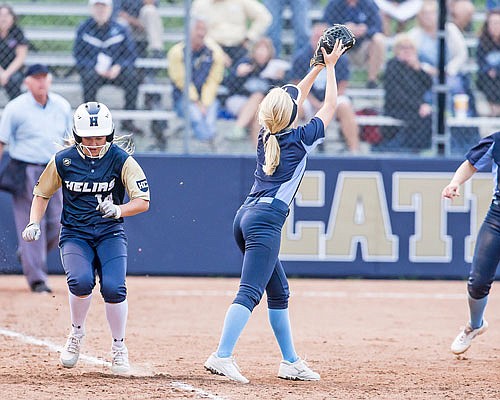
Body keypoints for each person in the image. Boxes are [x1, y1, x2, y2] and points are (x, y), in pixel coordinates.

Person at [203, 39, 346, 383]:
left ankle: (291, 362)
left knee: (278, 292)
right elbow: (331, 104)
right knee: (250, 293)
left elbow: (292, 96)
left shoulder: (266, 133)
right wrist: (330, 66)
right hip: (265, 222)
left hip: (246, 217)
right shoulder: (299, 138)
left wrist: (316, 65)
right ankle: (222, 355)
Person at [21, 102, 150, 374]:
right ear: (77, 136)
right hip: (75, 234)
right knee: (80, 281)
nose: (93, 142)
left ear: (110, 135)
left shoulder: (120, 159)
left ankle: (118, 347)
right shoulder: (64, 160)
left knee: (114, 288)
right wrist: (34, 221)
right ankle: (76, 334)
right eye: (88, 137)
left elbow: (143, 201)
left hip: (109, 232)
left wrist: (118, 209)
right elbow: (42, 193)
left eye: (99, 137)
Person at [0, 64, 72, 293]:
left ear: (50, 80)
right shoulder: (15, 107)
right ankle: (37, 279)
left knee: (59, 222)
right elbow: (2, 141)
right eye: (36, 78)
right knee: (31, 222)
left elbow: (70, 141)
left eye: (44, 78)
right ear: (27, 82)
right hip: (25, 169)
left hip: (54, 168)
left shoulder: (61, 105)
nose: (41, 82)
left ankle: (28, 252)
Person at [441, 131, 500, 355]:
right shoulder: (497, 141)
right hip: (497, 218)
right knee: (477, 283)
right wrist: (455, 182)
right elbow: (471, 164)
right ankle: (475, 325)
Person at [287, 22, 360, 153]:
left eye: (322, 38)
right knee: (294, 108)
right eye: (316, 37)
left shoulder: (340, 57)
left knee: (345, 106)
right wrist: (316, 103)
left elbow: (343, 84)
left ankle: (354, 151)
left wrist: (327, 104)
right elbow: (298, 85)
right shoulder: (301, 57)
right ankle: (291, 150)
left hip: (333, 99)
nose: (319, 41)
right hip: (309, 100)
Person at [73, 0, 143, 135]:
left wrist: (118, 66)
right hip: (94, 72)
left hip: (115, 72)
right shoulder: (84, 28)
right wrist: (94, 67)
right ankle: (91, 120)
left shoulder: (120, 28)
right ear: (91, 9)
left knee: (132, 77)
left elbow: (131, 55)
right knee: (88, 78)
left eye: (103, 7)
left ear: (110, 9)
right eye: (97, 7)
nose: (100, 11)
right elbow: (79, 55)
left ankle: (128, 120)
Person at [167, 16, 225, 143]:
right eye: (198, 29)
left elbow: (213, 81)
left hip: (207, 99)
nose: (201, 33)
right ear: (189, 31)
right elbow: (182, 81)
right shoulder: (177, 52)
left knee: (210, 119)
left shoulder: (214, 53)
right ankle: (210, 145)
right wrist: (197, 103)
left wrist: (204, 103)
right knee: (196, 116)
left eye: (204, 29)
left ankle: (207, 147)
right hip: (183, 98)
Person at [223, 37, 288, 144]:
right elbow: (230, 87)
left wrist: (280, 79)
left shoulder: (275, 67)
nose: (261, 52)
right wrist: (238, 75)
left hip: (263, 105)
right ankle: (262, 156)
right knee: (258, 99)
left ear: (270, 52)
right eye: (259, 49)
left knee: (258, 114)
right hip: (240, 101)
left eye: (264, 49)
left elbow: (281, 93)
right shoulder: (245, 63)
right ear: (254, 51)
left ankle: (240, 129)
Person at [376, 33, 433, 153]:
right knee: (419, 119)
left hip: (416, 107)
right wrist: (419, 106)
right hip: (397, 107)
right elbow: (396, 94)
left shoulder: (416, 67)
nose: (407, 51)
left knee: (430, 117)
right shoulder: (392, 66)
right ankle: (409, 150)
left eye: (410, 48)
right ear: (397, 50)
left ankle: (419, 150)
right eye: (403, 47)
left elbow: (429, 84)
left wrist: (418, 68)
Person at [323, 0, 386, 88]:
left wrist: (365, 30)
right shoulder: (334, 3)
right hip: (341, 49)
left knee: (379, 39)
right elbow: (325, 27)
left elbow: (378, 27)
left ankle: (372, 80)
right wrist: (343, 29)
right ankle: (337, 83)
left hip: (363, 48)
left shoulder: (369, 4)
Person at [191, 0, 272, 67]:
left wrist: (249, 37)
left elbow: (264, 17)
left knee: (243, 70)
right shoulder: (200, 4)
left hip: (239, 47)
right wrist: (218, 53)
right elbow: (196, 30)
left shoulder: (242, 2)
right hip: (210, 48)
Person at [0, 4, 28, 100]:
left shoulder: (17, 32)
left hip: (12, 69)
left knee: (15, 80)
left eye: (7, 15)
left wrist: (6, 74)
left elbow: (21, 56)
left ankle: (15, 107)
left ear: (13, 17)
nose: (3, 19)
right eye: (1, 15)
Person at [476, 9, 500, 117]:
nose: (494, 26)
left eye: (497, 23)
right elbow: (480, 63)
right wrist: (489, 70)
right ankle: (495, 110)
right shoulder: (483, 42)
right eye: (492, 23)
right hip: (488, 78)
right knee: (487, 79)